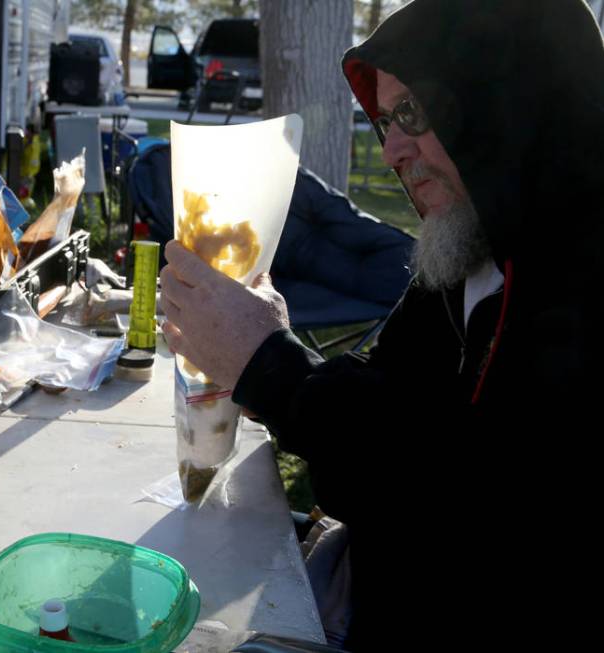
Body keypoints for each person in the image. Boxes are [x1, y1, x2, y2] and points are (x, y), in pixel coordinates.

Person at [160, 0, 604, 649]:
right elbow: (375, 425)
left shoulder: (581, 282)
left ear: (506, 113)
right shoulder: (469, 244)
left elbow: (461, 508)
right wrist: (259, 347)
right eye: (385, 118)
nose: (391, 147)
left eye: (412, 115)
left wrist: (271, 367)